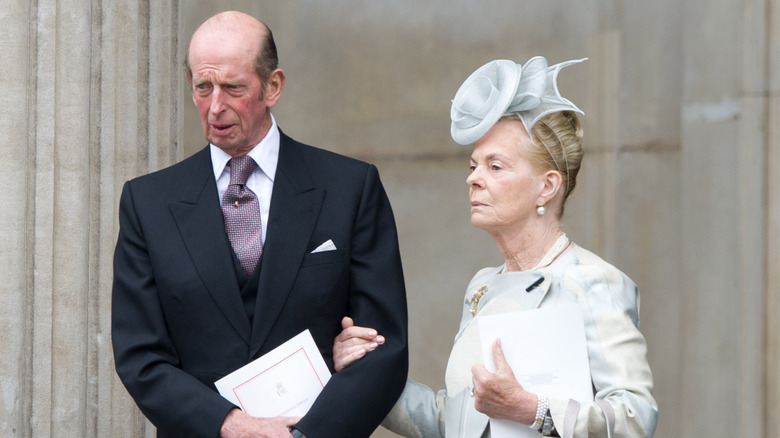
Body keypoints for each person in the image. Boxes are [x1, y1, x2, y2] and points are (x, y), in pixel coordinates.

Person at [111, 11, 408, 438]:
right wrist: (230, 425)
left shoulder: (350, 188)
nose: (215, 107)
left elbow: (385, 347)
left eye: (233, 87)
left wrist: (303, 436)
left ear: (273, 86)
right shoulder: (147, 202)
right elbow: (140, 355)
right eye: (202, 87)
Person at [333, 56, 658, 437]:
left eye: (495, 166)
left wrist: (531, 409)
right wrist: (365, 369)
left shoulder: (593, 281)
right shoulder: (482, 286)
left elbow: (636, 416)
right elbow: (453, 423)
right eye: (473, 166)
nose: (474, 179)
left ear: (547, 186)